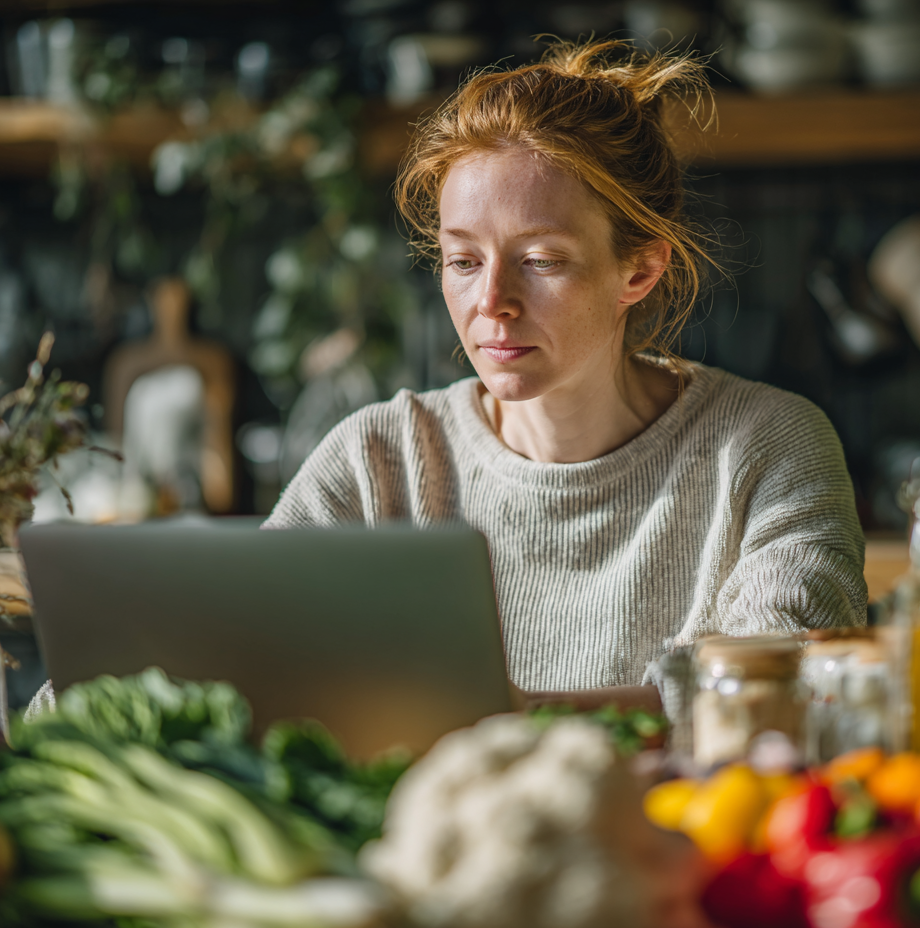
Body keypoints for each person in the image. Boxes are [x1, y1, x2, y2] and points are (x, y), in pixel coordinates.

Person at [265, 39, 868, 715]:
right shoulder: (380, 459)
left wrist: (506, 714)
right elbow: (245, 653)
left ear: (638, 270)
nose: (491, 301)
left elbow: (785, 690)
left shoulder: (768, 448)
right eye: (463, 262)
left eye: (542, 260)